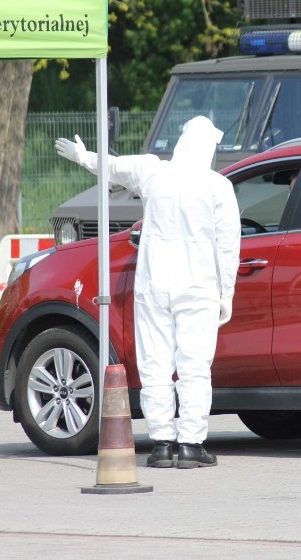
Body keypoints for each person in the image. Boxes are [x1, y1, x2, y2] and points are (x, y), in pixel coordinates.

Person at [54, 116, 241, 469]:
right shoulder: (218, 186)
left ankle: (162, 443)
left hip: (154, 284)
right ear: (209, 147)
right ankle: (191, 443)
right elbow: (228, 245)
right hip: (199, 286)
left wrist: (82, 156)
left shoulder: (154, 171)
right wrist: (226, 292)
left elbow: (112, 167)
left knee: (155, 364)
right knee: (195, 366)